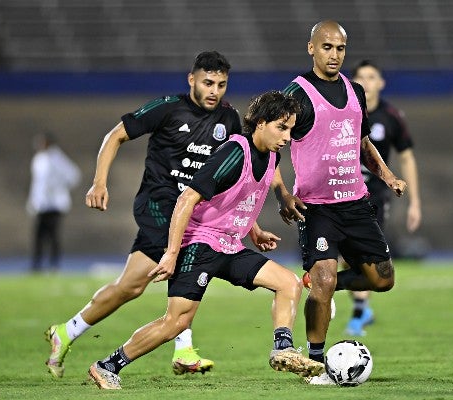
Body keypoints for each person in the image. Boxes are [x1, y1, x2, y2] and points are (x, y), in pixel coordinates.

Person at [87, 91, 324, 390]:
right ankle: (107, 366)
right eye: (282, 127)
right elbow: (188, 197)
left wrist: (254, 229)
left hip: (228, 245)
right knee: (175, 323)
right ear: (261, 123)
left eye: (290, 129)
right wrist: (172, 253)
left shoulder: (272, 154)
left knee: (288, 283)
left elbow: (237, 197)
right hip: (199, 245)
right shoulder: (235, 152)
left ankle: (283, 349)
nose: (288, 136)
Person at [44, 51, 242, 378]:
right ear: (191, 79)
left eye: (221, 85)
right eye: (208, 82)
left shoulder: (229, 120)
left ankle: (66, 331)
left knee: (130, 287)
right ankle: (183, 348)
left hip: (190, 211)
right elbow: (115, 136)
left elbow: (236, 173)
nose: (214, 91)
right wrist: (99, 182)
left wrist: (253, 224)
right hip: (158, 204)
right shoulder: (167, 108)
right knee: (187, 250)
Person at [281, 20, 407, 385]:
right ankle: (316, 363)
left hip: (355, 203)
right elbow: (273, 143)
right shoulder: (297, 94)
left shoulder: (355, 91)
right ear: (311, 48)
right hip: (316, 207)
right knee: (323, 277)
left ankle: (326, 286)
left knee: (383, 280)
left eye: (339, 48)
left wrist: (387, 175)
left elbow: (362, 143)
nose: (334, 54)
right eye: (326, 47)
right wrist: (283, 194)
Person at [342, 59, 422, 336]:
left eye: (372, 76)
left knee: (367, 255)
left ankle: (360, 310)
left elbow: (407, 156)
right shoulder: (342, 111)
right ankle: (360, 307)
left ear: (381, 83)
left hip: (374, 196)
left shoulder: (391, 116)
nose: (366, 82)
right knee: (345, 254)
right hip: (341, 192)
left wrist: (415, 203)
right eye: (360, 77)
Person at [27, 132, 81, 273]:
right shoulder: (38, 159)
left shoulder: (57, 158)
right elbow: (37, 184)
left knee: (53, 236)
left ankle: (54, 264)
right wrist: (33, 201)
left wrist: (58, 187)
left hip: (55, 205)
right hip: (42, 205)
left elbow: (73, 175)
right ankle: (37, 264)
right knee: (38, 236)